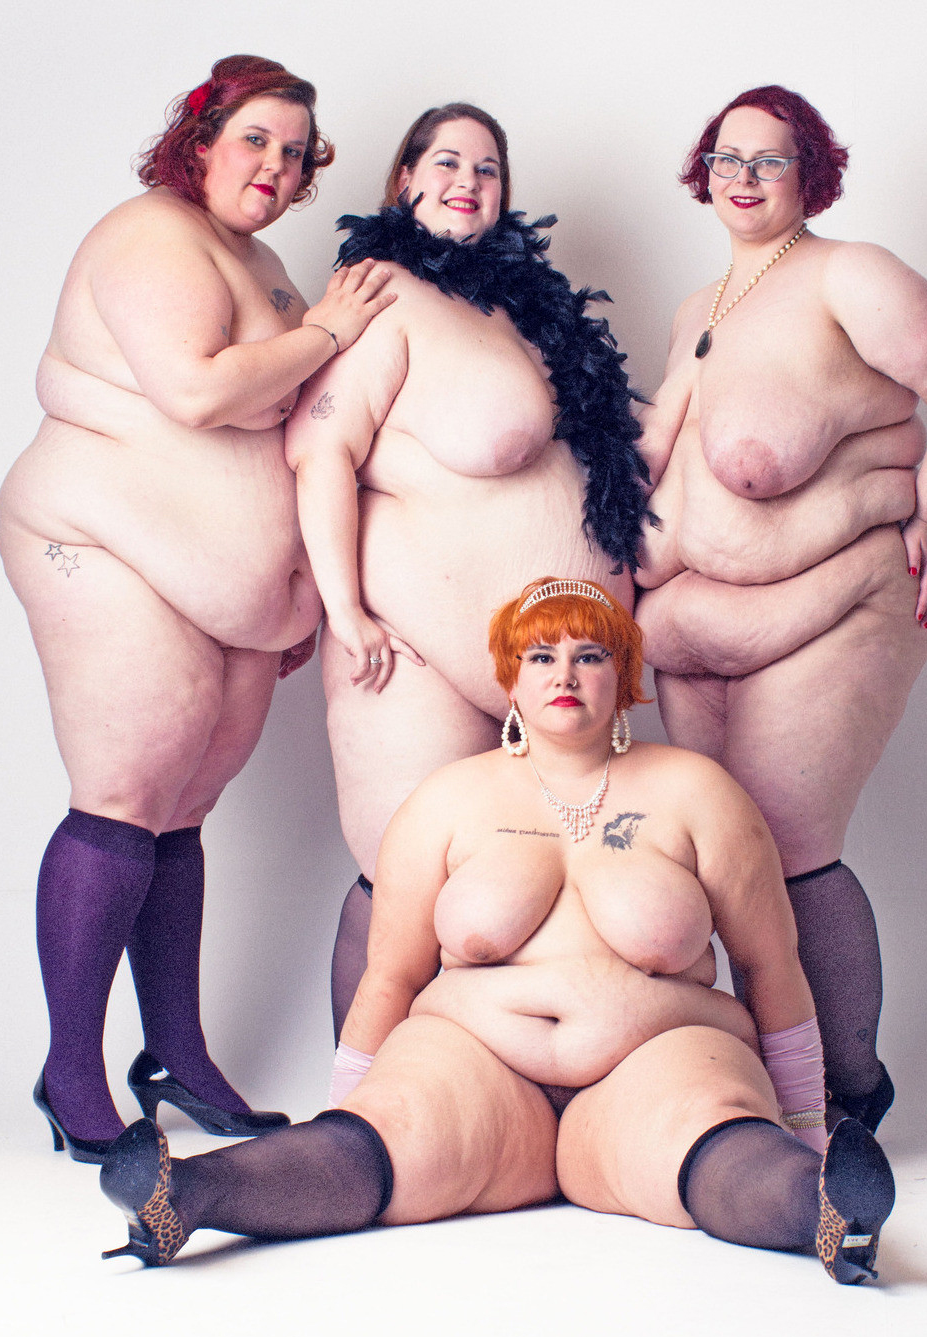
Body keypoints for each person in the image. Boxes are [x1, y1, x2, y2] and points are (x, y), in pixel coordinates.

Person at [98, 579, 895, 1286]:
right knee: (384, 1133)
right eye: (541, 656)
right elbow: (391, 975)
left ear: (624, 675)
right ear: (510, 679)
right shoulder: (445, 800)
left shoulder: (700, 793)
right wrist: (350, 1104)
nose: (564, 675)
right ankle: (184, 1194)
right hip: (473, 1063)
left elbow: (770, 963)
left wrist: (806, 1126)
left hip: (659, 1057)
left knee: (709, 1133)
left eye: (589, 655)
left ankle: (826, 1206)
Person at [0, 55, 395, 1161]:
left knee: (183, 806)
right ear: (201, 140)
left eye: (295, 152)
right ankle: (71, 1071)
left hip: (214, 589)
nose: (276, 165)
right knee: (126, 791)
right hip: (100, 541)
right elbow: (198, 389)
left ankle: (176, 1051)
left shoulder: (261, 262)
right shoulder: (152, 235)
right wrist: (330, 329)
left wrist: (292, 591)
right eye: (255, 138)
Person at [634, 85, 927, 1131]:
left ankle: (849, 1089)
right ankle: (776, 1085)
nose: (744, 177)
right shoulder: (698, 307)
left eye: (771, 159)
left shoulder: (850, 274)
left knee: (787, 845)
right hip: (694, 629)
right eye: (726, 158)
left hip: (831, 606)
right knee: (722, 858)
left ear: (812, 174)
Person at [283, 104, 649, 1034]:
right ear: (405, 178)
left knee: (532, 903)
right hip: (418, 659)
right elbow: (320, 452)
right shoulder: (382, 294)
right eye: (447, 161)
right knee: (407, 886)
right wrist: (347, 611)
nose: (468, 182)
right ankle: (361, 1096)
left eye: (488, 169)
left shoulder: (529, 309)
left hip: (561, 673)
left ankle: (485, 1093)